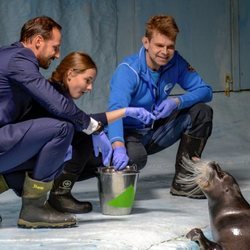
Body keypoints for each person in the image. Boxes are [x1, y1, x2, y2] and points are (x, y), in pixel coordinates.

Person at [0, 16, 155, 228]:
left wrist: (121, 113)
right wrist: (93, 128)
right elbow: (59, 106)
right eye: (55, 47)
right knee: (62, 130)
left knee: (62, 138)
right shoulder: (21, 59)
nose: (57, 54)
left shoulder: (9, 56)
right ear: (37, 41)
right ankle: (34, 208)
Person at [107, 15, 213, 199]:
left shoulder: (176, 62)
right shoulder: (128, 70)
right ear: (146, 42)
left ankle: (183, 181)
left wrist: (177, 102)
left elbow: (206, 91)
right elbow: (114, 112)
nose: (165, 52)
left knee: (202, 112)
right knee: (136, 158)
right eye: (159, 45)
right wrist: (118, 146)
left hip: (155, 129)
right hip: (129, 134)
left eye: (170, 46)